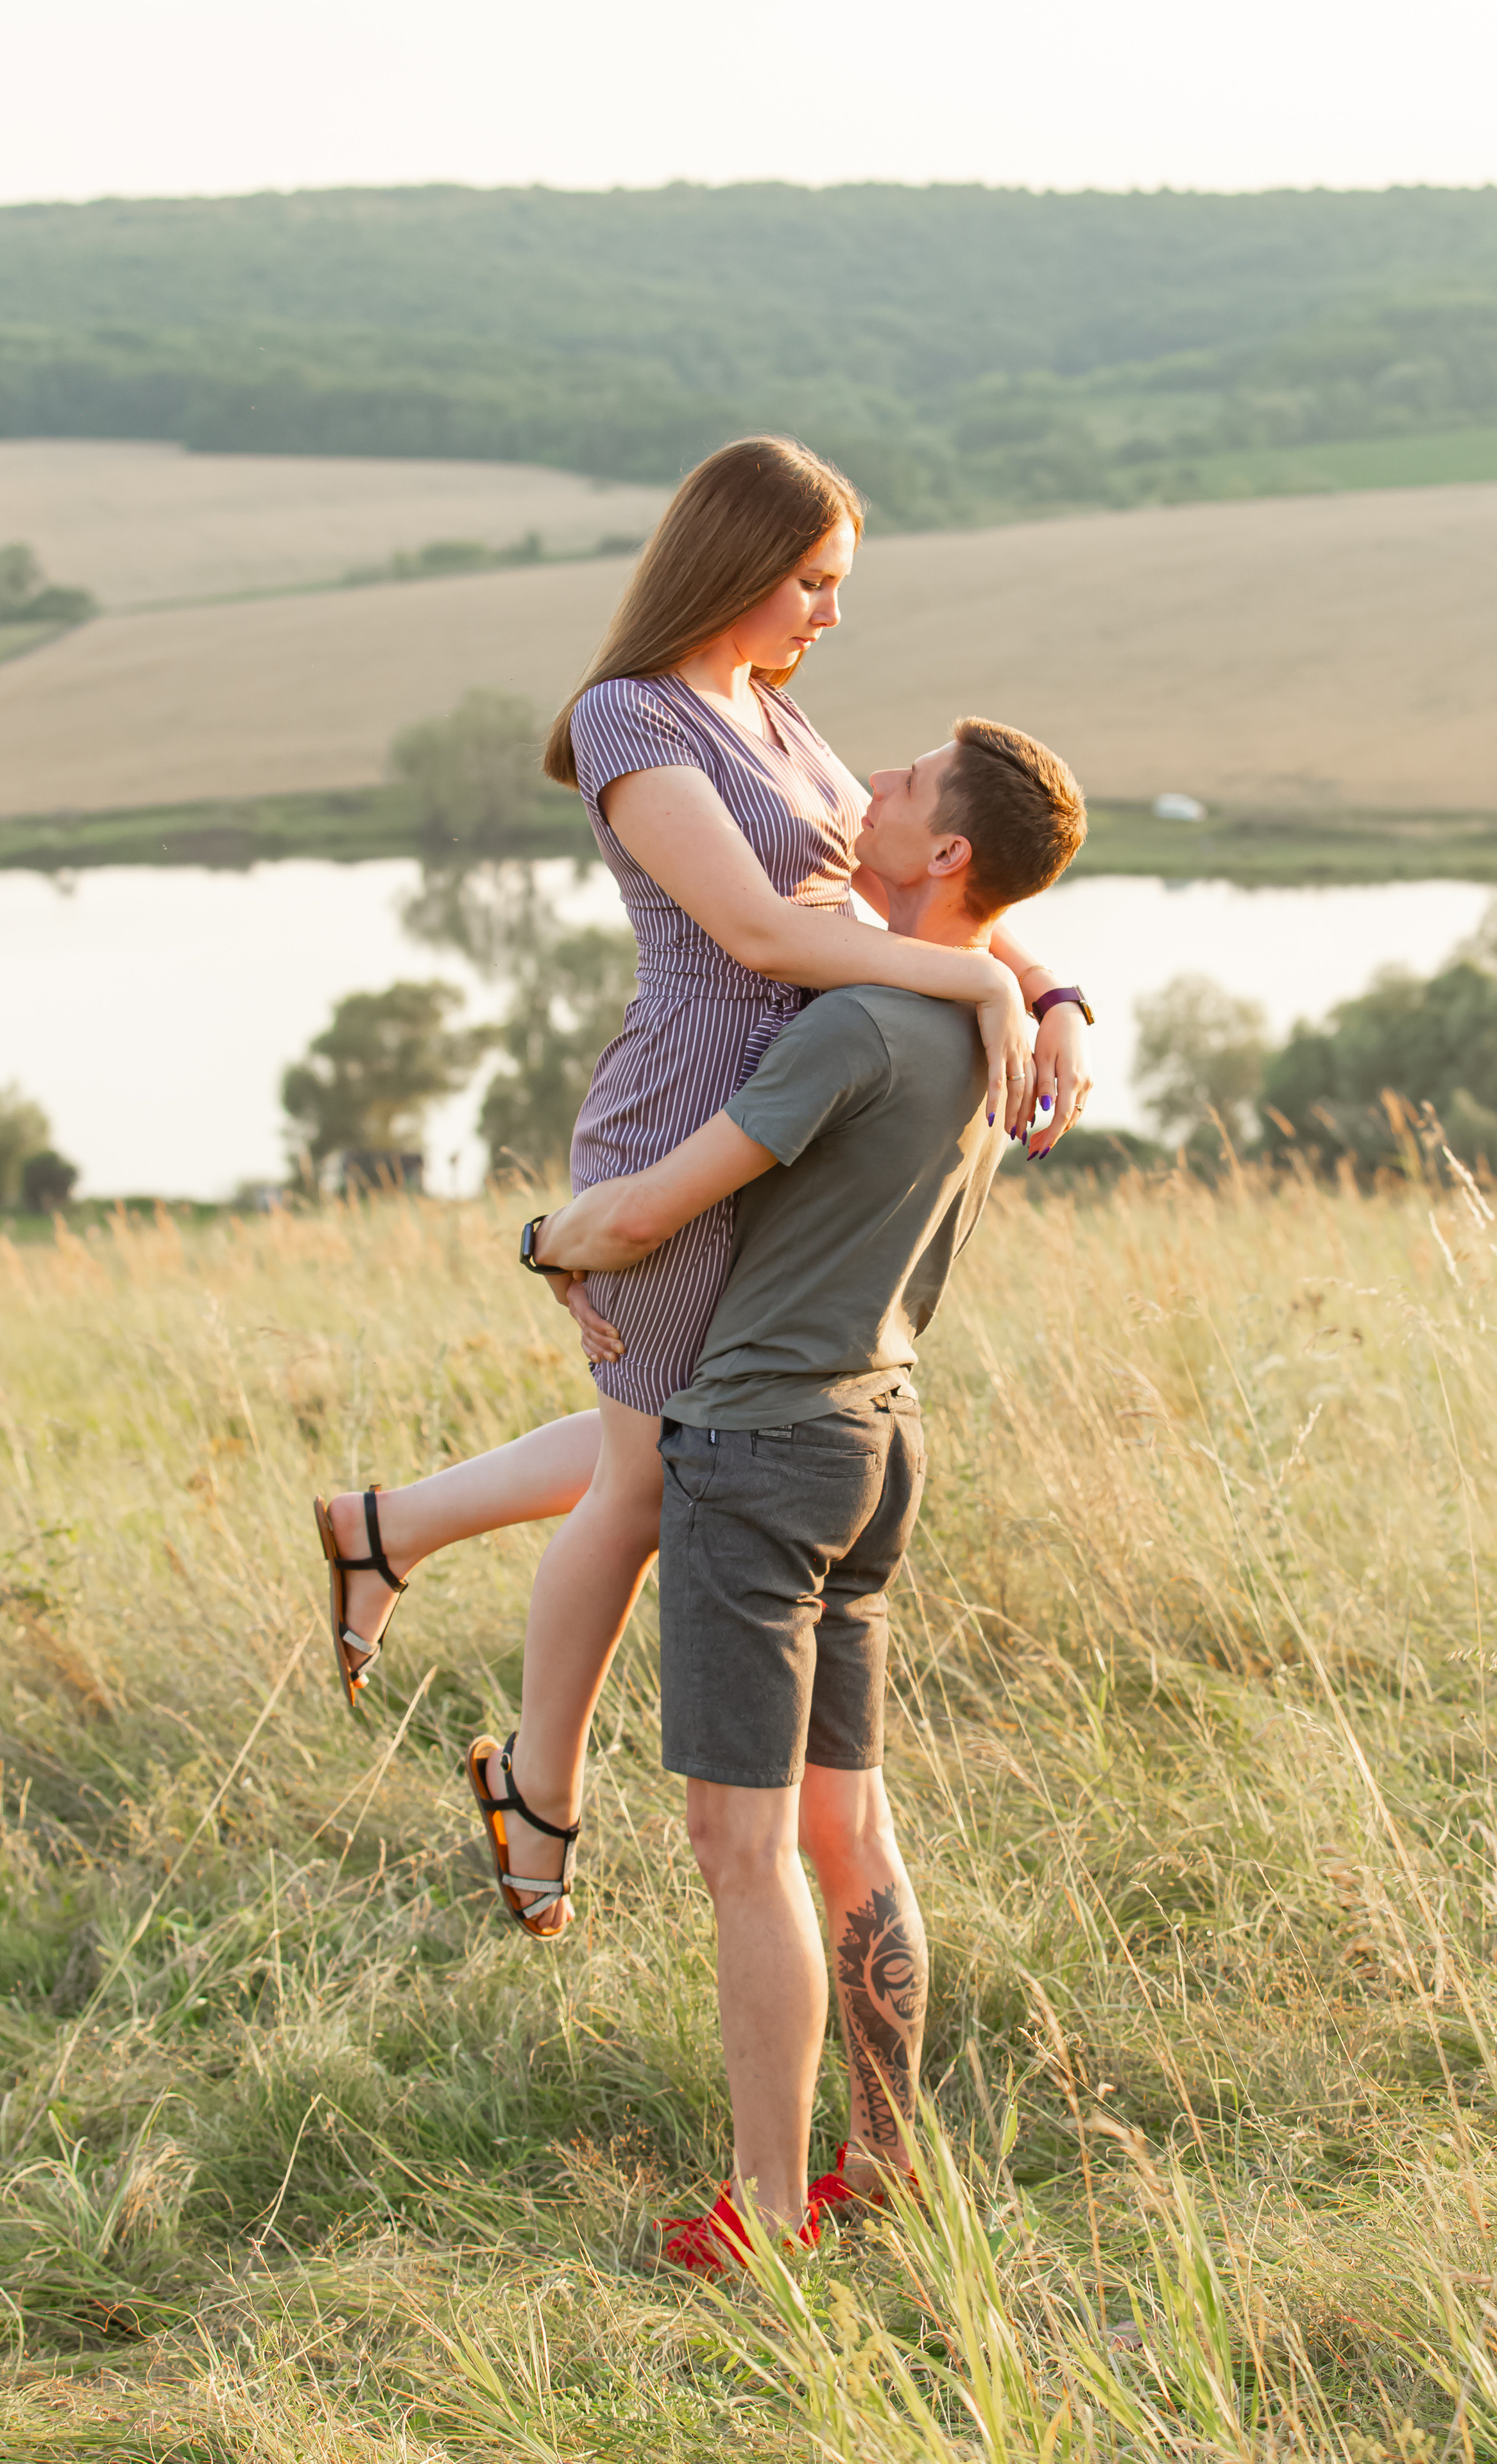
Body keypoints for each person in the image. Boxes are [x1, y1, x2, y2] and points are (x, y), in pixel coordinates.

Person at [314, 437, 1095, 1937]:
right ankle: (535, 1799)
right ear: (737, 564)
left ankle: (384, 1532)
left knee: (679, 1427)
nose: (829, 613)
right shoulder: (631, 720)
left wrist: (1047, 988)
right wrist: (969, 986)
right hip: (690, 1113)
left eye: (836, 585)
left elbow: (892, 882)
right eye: (812, 582)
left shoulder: (776, 714)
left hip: (797, 1115)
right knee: (651, 1471)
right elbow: (759, 933)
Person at [488, 716, 1086, 2268]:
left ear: (945, 853)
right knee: (846, 1828)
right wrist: (1045, 983)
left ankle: (760, 2213)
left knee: (736, 1849)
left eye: (896, 790)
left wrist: (546, 1239)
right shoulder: (986, 1026)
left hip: (757, 1451)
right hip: (878, 1437)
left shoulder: (849, 1032)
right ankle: (878, 2164)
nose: (860, 793)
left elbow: (645, 1218)